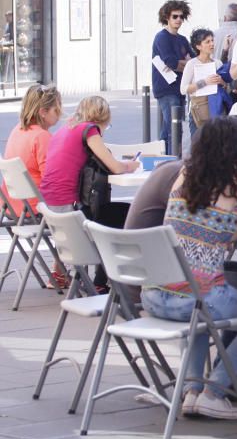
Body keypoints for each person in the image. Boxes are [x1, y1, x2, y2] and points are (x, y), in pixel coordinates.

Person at [140, 118, 237, 420]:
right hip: (197, 298)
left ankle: (192, 390)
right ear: (236, 150)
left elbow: (211, 223)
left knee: (202, 311)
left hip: (155, 295)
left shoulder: (184, 175)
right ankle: (215, 391)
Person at [122, 156, 237, 401]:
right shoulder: (194, 180)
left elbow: (206, 227)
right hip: (179, 294)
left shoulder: (179, 175)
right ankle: (217, 388)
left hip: (147, 287)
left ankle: (192, 387)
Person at [40, 96, 141, 288]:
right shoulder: (89, 129)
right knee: (126, 214)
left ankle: (99, 281)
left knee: (107, 211)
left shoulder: (67, 128)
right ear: (102, 119)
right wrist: (132, 165)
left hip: (50, 204)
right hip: (70, 208)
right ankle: (102, 282)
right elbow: (116, 167)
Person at [3, 84, 61, 216]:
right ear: (43, 112)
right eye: (56, 110)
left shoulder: (18, 129)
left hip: (11, 205)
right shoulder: (41, 136)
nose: (60, 113)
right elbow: (51, 181)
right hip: (35, 207)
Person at [151, 0, 194, 151]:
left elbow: (193, 60)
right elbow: (170, 61)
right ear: (167, 17)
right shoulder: (161, 37)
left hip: (179, 87)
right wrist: (185, 63)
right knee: (174, 129)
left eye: (181, 17)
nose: (179, 20)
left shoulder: (182, 39)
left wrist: (182, 64)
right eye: (175, 16)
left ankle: (162, 158)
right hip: (166, 88)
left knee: (168, 129)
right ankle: (171, 162)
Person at [179, 28, 229, 137]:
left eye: (212, 41)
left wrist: (222, 82)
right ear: (198, 46)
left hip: (216, 107)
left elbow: (225, 87)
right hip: (199, 109)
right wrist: (204, 82)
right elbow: (183, 89)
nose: (211, 44)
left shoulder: (217, 63)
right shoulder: (192, 64)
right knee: (198, 146)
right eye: (207, 42)